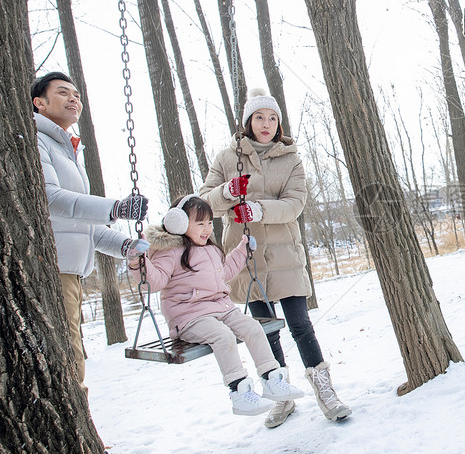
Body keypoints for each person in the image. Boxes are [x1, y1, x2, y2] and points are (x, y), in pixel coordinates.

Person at [200, 88, 352, 427]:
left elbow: (295, 204)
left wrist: (257, 208)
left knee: (300, 325)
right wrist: (227, 192)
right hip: (246, 259)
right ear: (248, 121)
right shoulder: (227, 158)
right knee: (265, 330)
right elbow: (203, 203)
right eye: (259, 117)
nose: (266, 123)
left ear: (278, 123)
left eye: (272, 118)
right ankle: (280, 394)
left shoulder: (291, 158)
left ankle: (325, 391)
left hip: (285, 255)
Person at [127, 195, 305, 416]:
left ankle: (272, 380)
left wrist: (242, 251)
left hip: (221, 309)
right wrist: (138, 262)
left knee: (253, 328)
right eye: (200, 223)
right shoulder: (169, 252)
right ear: (178, 223)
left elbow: (225, 272)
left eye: (210, 222)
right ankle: (239, 392)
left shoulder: (210, 249)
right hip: (189, 317)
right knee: (223, 336)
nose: (207, 229)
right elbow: (155, 281)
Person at [32, 71, 149, 391]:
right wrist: (115, 209)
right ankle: (74, 426)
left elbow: (79, 225)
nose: (74, 99)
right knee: (69, 351)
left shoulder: (66, 148)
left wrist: (125, 245)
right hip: (52, 266)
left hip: (69, 269)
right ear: (39, 103)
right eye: (63, 93)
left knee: (72, 348)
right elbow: (52, 200)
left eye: (77, 95)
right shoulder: (37, 140)